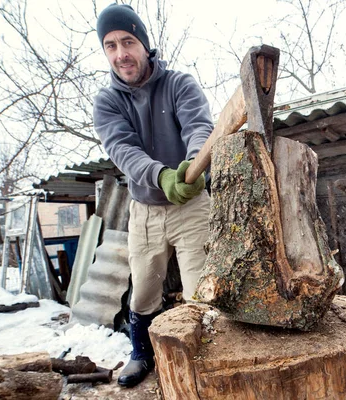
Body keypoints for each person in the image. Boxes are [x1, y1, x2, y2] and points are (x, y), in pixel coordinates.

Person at [93, 3, 213, 388]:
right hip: (144, 208)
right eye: (110, 46)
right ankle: (141, 353)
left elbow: (200, 127)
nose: (120, 53)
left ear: (144, 44)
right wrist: (161, 176)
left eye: (128, 41)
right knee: (144, 287)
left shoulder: (180, 84)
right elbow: (123, 151)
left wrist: (194, 166)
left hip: (192, 204)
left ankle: (206, 359)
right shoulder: (107, 102)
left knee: (202, 290)